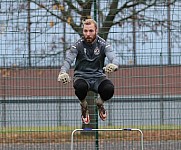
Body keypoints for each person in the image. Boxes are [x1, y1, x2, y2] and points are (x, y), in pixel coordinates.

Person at [58, 19, 119, 124]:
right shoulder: (77, 45)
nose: (88, 34)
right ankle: (84, 105)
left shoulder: (103, 44)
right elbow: (68, 60)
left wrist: (114, 65)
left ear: (96, 30)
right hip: (81, 77)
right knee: (80, 87)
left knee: (109, 89)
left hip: (98, 78)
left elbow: (113, 56)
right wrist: (63, 72)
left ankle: (100, 103)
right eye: (85, 31)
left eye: (91, 31)